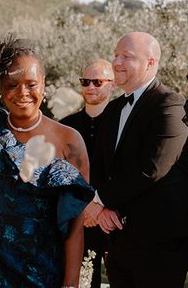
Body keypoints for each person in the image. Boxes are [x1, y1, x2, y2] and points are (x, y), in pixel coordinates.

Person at [0, 36, 93, 288]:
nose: (22, 93)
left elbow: (75, 223)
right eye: (12, 85)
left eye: (31, 84)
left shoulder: (69, 140)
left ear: (43, 85)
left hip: (44, 268)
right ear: (1, 89)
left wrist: (71, 282)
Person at [83, 31, 188, 288]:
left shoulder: (170, 105)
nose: (117, 63)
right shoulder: (113, 109)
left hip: (159, 247)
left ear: (151, 63)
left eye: (127, 56)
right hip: (119, 241)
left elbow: (152, 169)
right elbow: (99, 165)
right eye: (115, 55)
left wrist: (99, 201)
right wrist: (102, 210)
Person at [60, 58, 114, 288]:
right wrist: (84, 207)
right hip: (78, 219)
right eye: (85, 81)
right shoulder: (66, 126)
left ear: (112, 84)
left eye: (98, 82)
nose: (90, 87)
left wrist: (100, 206)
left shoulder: (122, 124)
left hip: (112, 217)